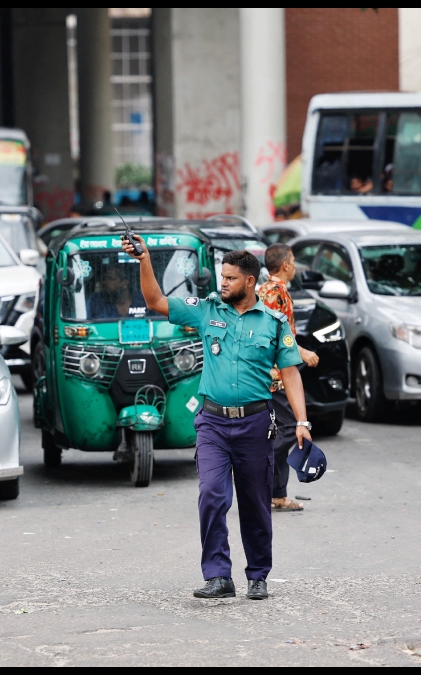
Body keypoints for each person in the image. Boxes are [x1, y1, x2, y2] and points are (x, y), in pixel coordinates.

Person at [123, 236, 310, 602]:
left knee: (255, 502)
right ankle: (218, 576)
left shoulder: (273, 322)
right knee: (211, 495)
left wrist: (302, 422)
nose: (222, 283)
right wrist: (144, 259)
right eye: (222, 276)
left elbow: (290, 373)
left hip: (256, 423)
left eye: (230, 278)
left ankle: (258, 575)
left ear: (250, 282)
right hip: (212, 423)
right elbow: (156, 301)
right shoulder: (207, 310)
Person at [257, 244, 320, 512]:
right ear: (285, 265)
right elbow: (273, 333)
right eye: (293, 260)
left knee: (280, 433)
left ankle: (278, 495)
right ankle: (253, 467)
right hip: (276, 375)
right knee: (289, 429)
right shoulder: (275, 291)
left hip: (274, 372)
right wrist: (303, 352)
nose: (295, 265)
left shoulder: (269, 290)